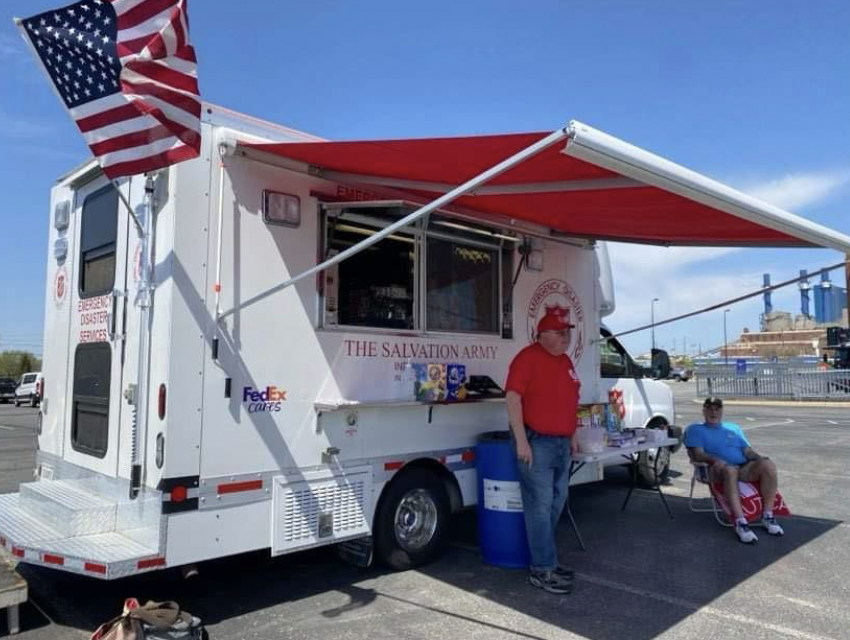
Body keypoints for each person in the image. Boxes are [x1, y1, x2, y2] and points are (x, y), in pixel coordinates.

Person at [505, 311, 581, 594]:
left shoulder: (565, 362)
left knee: (557, 501)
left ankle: (546, 558)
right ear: (543, 335)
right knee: (539, 507)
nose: (566, 337)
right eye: (560, 332)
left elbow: (571, 399)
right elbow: (513, 399)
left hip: (561, 443)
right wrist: (522, 443)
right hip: (536, 442)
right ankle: (542, 569)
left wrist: (572, 434)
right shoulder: (527, 358)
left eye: (568, 332)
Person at [685, 396, 784, 544]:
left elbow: (747, 451)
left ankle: (767, 516)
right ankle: (740, 522)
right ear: (703, 411)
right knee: (730, 470)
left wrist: (758, 458)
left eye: (717, 409)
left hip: (743, 468)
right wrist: (715, 459)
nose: (713, 412)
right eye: (710, 408)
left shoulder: (733, 428)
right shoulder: (695, 430)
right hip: (715, 469)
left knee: (768, 465)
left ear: (722, 411)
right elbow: (698, 454)